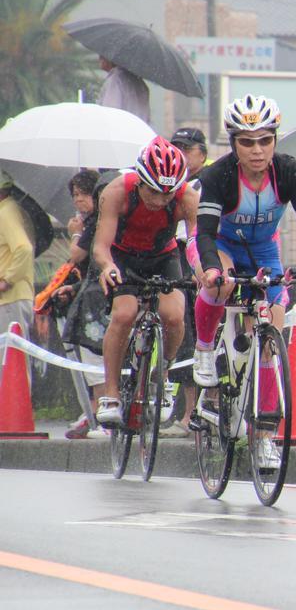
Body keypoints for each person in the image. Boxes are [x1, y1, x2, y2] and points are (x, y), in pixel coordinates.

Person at [192, 95, 296, 469]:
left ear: (275, 139)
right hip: (219, 246)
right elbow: (204, 233)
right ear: (233, 143)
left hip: (262, 250)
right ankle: (205, 347)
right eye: (246, 142)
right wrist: (210, 269)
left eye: (265, 140)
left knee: (271, 331)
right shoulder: (217, 176)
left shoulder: (289, 172)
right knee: (219, 286)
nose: (257, 151)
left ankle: (264, 437)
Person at [92, 138, 198, 427]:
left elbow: (196, 243)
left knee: (174, 316)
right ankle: (111, 394)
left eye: (168, 194)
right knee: (124, 314)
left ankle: (161, 375)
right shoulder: (116, 191)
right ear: (139, 179)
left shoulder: (187, 197)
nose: (159, 201)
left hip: (163, 255)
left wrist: (202, 272)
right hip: (122, 256)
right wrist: (107, 266)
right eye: (153, 191)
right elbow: (101, 246)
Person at [54, 171, 108, 439]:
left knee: (95, 355)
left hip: (100, 298)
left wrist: (75, 234)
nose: (78, 201)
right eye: (74, 195)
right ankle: (95, 411)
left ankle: (102, 414)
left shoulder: (97, 222)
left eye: (83, 194)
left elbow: (78, 255)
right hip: (90, 290)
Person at [163, 127, 208, 438]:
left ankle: (196, 412)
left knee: (199, 336)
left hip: (202, 259)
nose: (181, 153)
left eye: (187, 148)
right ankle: (189, 411)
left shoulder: (206, 183)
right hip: (179, 257)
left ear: (201, 153)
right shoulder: (172, 184)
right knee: (184, 334)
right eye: (176, 147)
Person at [0, 169, 35, 348]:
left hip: (10, 299)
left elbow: (24, 248)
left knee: (11, 362)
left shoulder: (6, 212)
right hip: (8, 300)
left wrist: (6, 280)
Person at [97, 56, 151, 126]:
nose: (99, 59)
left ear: (110, 58)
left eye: (102, 56)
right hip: (140, 132)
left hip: (123, 132)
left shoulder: (116, 79)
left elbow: (110, 113)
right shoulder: (139, 82)